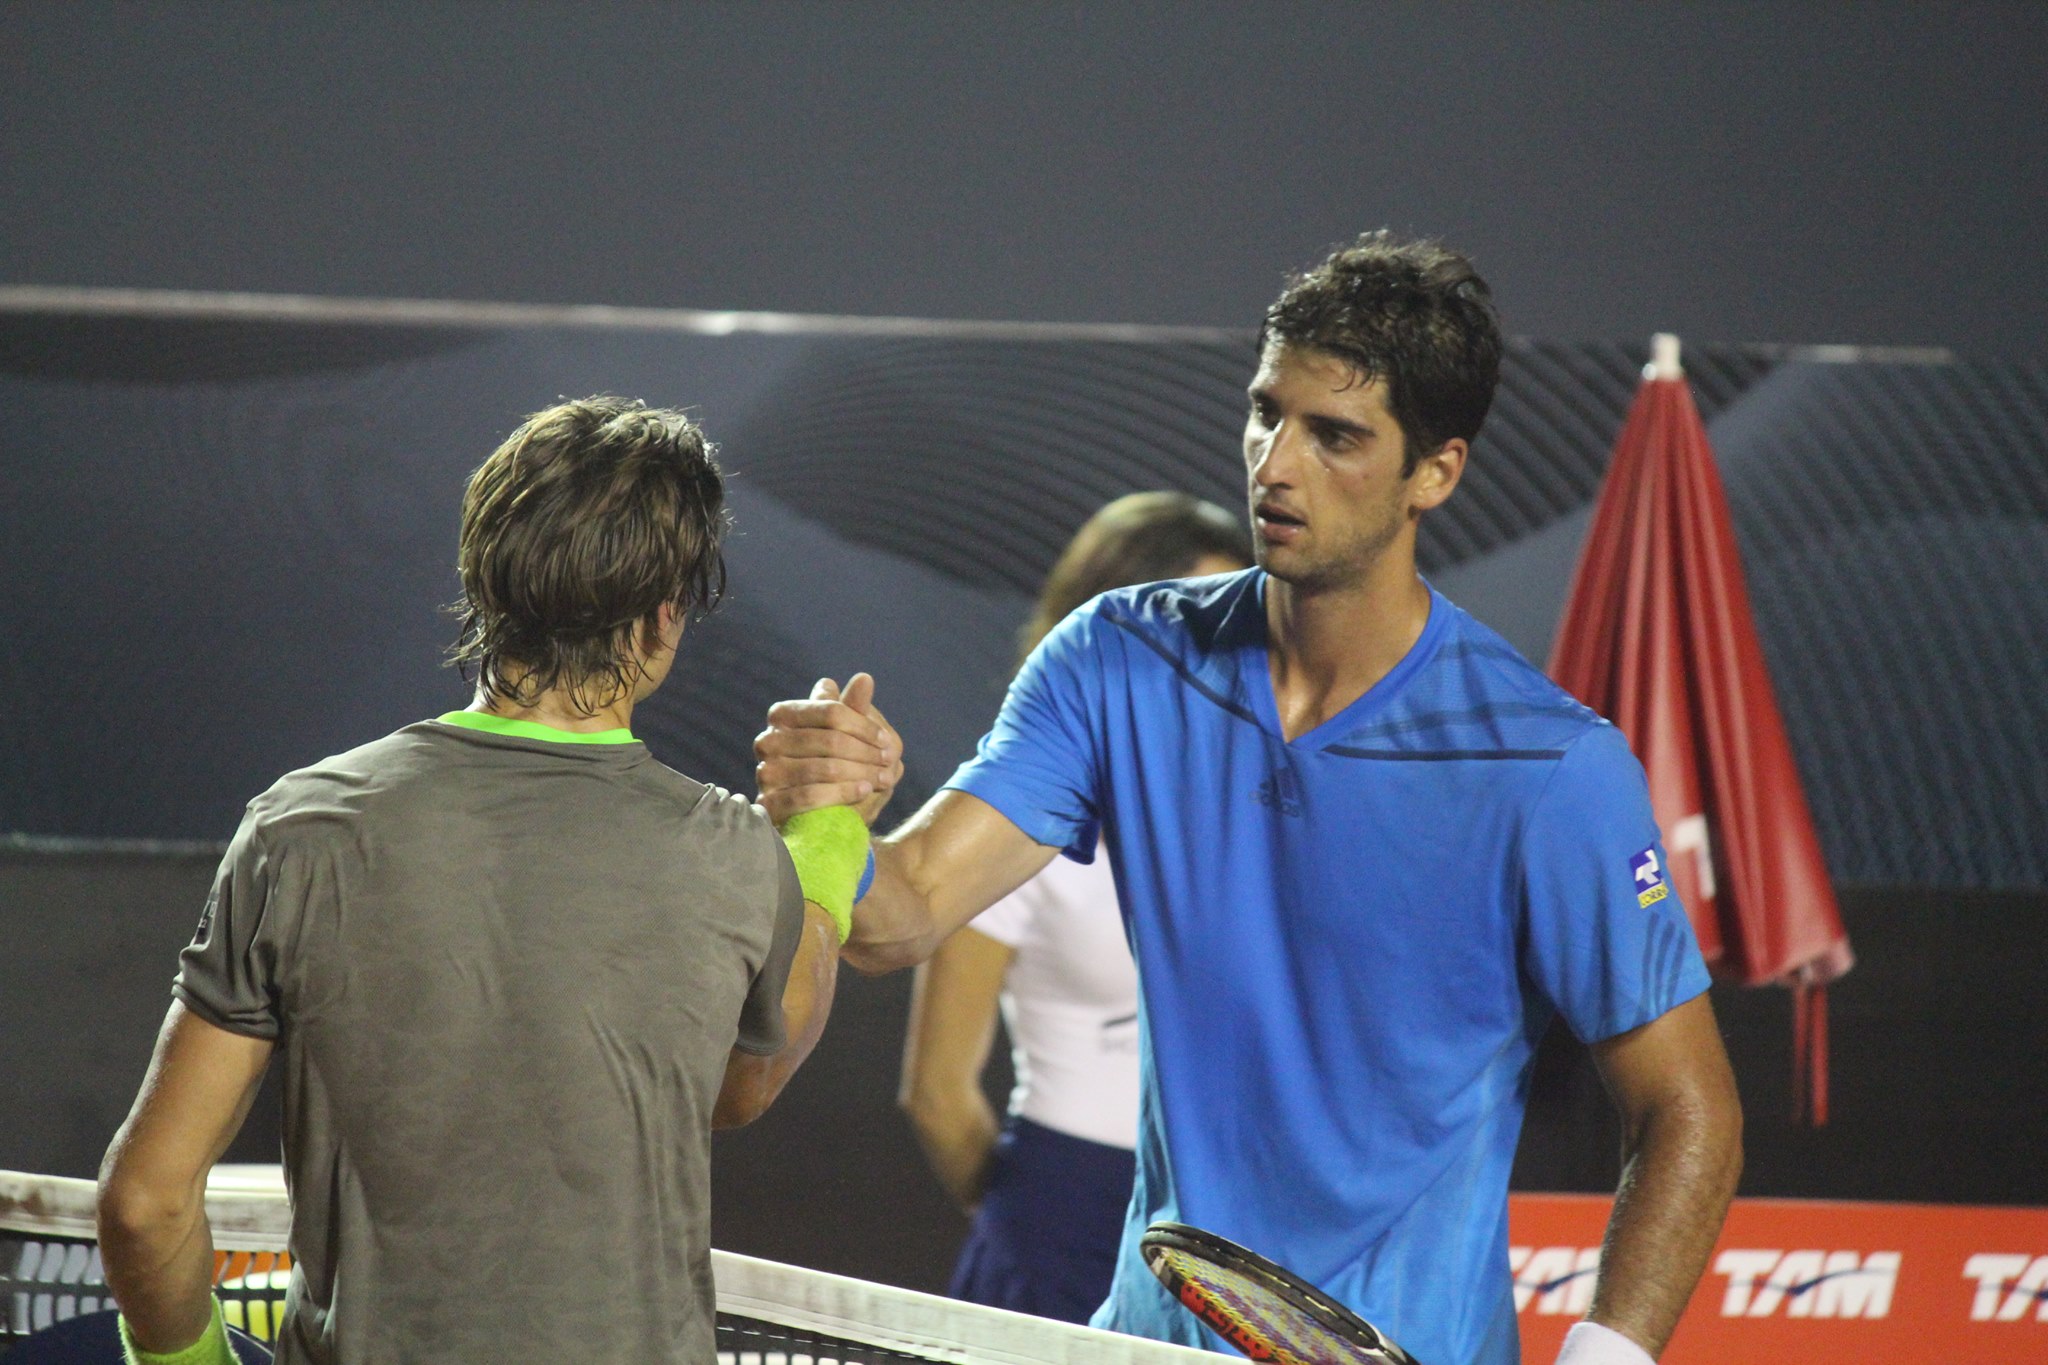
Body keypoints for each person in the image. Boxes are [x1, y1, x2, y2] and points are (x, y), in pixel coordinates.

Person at [754, 234, 1743, 1365]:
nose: (1275, 465)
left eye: (1335, 436)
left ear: (1435, 472)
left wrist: (1604, 1357)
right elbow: (902, 914)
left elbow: (1690, 1110)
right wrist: (826, 814)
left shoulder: (1550, 765)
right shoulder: (1115, 659)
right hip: (1148, 1350)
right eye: (1266, 414)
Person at [96, 397, 869, 1365]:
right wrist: (828, 835)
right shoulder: (731, 856)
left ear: (483, 581)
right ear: (662, 619)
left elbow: (145, 1205)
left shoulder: (299, 832)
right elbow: (743, 1081)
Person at [900, 491, 1251, 1324]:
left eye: (1236, 629)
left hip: (1230, 1227)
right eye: (1195, 625)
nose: (1223, 659)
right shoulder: (1011, 816)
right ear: (1107, 631)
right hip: (1061, 1216)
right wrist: (1029, 1217)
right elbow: (937, 1091)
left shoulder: (1262, 811)